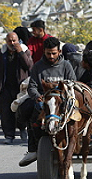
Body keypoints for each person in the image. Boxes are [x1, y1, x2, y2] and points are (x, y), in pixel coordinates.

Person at [18, 37, 76, 167]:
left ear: (59, 51)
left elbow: (73, 83)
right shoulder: (38, 66)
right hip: (44, 100)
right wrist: (37, 96)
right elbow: (32, 86)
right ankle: (34, 148)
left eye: (54, 53)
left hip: (62, 101)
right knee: (30, 110)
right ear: (44, 51)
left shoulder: (66, 65)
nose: (51, 56)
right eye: (48, 53)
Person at [0, 32, 33, 144]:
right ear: (6, 42)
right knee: (6, 112)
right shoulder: (1, 54)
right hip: (5, 87)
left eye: (14, 41)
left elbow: (29, 66)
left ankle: (22, 129)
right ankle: (9, 135)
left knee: (21, 110)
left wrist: (20, 52)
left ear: (18, 40)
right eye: (10, 41)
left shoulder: (25, 51)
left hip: (21, 87)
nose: (12, 43)